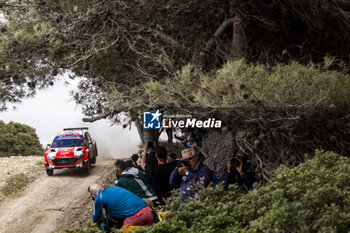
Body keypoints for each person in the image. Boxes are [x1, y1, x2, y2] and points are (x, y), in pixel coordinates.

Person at [88, 184, 154, 232]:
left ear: (94, 196)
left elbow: (95, 218)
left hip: (136, 217)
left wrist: (95, 203)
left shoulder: (99, 197)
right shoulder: (113, 187)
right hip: (148, 211)